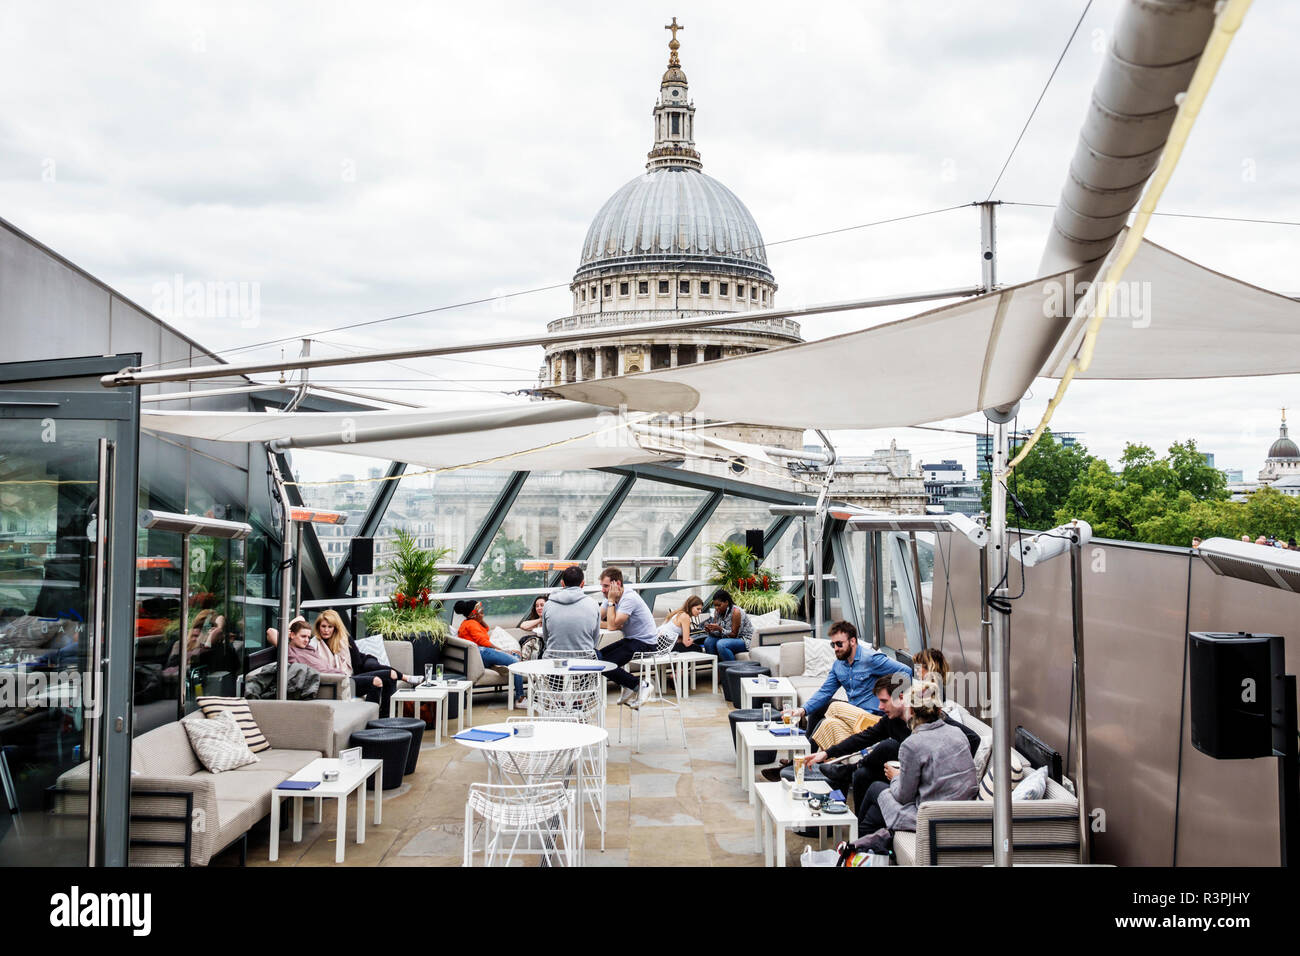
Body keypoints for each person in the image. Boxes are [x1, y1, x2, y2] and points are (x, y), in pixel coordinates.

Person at [787, 673, 981, 809]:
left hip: (925, 778)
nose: (880, 707)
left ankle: (849, 771)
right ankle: (860, 837)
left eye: (883, 701)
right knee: (863, 775)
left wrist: (944, 763)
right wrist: (826, 753)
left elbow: (974, 739)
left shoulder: (934, 717)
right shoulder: (892, 721)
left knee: (890, 746)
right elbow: (863, 738)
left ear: (900, 697)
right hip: (905, 770)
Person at [856, 677, 978, 837]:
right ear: (939, 709)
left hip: (931, 816)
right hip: (963, 812)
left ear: (911, 710)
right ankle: (871, 843)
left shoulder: (912, 744)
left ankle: (858, 843)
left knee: (875, 789)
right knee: (873, 813)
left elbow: (903, 797)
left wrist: (895, 777)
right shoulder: (959, 733)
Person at [782, 621, 912, 752]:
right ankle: (803, 758)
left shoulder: (871, 659)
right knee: (823, 715)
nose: (836, 648)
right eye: (833, 644)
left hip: (871, 717)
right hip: (853, 712)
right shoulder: (838, 666)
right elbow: (825, 692)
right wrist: (802, 710)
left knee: (833, 707)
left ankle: (802, 758)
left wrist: (896, 700)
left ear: (853, 641)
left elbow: (906, 672)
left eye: (839, 644)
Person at [315, 608, 418, 714]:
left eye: (330, 627)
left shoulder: (344, 640)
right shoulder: (316, 645)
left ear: (335, 628)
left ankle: (385, 718)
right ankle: (377, 719)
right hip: (340, 683)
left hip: (353, 677)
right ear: (318, 627)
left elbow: (357, 666)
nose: (326, 630)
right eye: (323, 626)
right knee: (377, 680)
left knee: (392, 675)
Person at [596, 567, 656, 708]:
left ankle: (641, 685)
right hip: (631, 639)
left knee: (605, 663)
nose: (603, 590)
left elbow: (611, 626)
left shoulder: (629, 598)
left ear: (616, 584)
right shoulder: (610, 598)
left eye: (605, 586)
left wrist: (611, 603)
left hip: (645, 642)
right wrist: (612, 622)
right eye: (602, 586)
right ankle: (628, 684)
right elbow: (596, 619)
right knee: (597, 657)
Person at [453, 599, 526, 706]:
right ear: (473, 614)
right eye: (480, 610)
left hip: (481, 655)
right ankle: (520, 698)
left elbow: (485, 629)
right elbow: (483, 641)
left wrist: (479, 618)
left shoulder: (469, 623)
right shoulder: (471, 624)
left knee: (513, 657)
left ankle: (498, 665)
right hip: (482, 652)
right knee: (516, 664)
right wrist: (501, 650)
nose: (483, 612)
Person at [539, 566, 601, 657]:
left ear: (562, 583)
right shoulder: (594, 604)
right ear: (582, 584)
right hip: (585, 661)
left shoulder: (548, 605)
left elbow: (546, 636)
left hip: (554, 661)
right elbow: (595, 638)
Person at [700, 589, 754, 661]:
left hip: (743, 640)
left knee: (721, 644)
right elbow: (718, 633)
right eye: (715, 605)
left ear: (726, 602)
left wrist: (719, 629)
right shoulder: (717, 612)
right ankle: (717, 668)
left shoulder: (736, 612)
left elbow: (734, 635)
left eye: (719, 605)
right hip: (726, 638)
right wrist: (710, 630)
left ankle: (731, 670)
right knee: (708, 641)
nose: (716, 608)